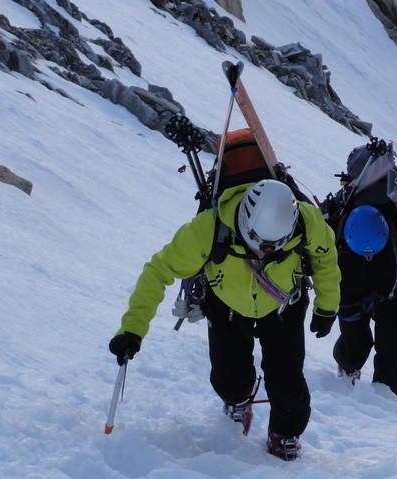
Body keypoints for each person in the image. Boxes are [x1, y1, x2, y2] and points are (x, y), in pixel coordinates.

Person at [108, 178, 340, 461]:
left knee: (287, 379)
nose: (262, 253)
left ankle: (285, 432)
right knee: (230, 379)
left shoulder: (308, 222)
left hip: (282, 303)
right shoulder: (209, 228)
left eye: (273, 246)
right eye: (257, 243)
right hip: (225, 301)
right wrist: (132, 329)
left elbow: (325, 259)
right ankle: (238, 400)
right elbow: (159, 270)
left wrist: (327, 305)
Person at [329, 203, 397, 396]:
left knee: (392, 352)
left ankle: (387, 399)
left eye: (374, 253)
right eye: (364, 254)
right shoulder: (334, 229)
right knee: (356, 348)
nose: (369, 258)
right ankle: (347, 367)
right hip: (350, 291)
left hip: (390, 292)